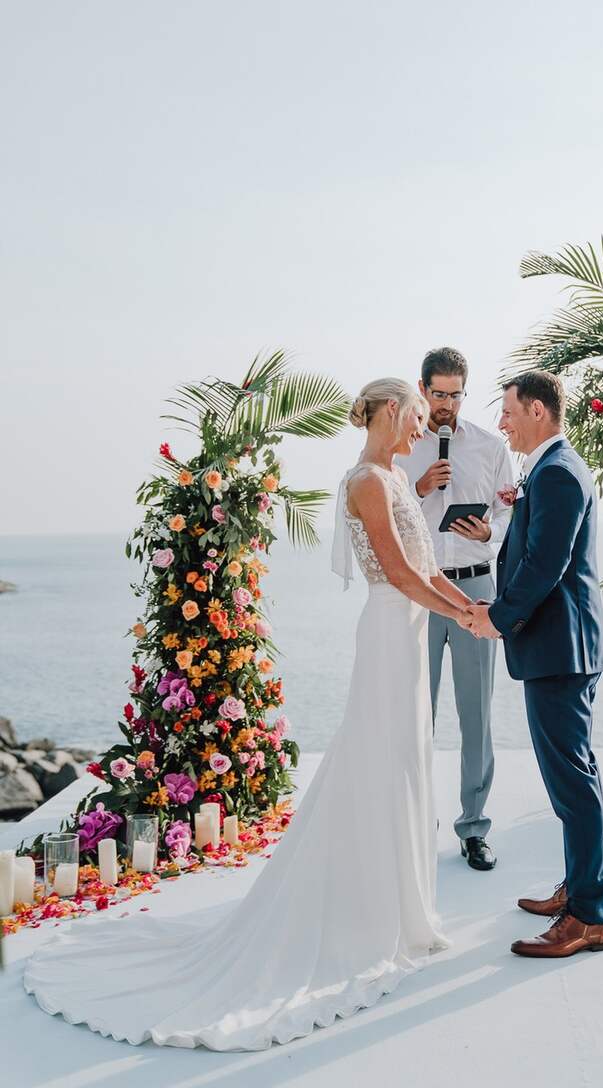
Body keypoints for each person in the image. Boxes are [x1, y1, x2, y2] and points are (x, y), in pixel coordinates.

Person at [24, 378, 476, 1050]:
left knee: (407, 758)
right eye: (413, 417)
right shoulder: (368, 483)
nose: (419, 429)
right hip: (388, 631)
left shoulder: (401, 479)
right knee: (378, 757)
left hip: (410, 631)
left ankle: (406, 910)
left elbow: (428, 567)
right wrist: (463, 615)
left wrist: (468, 608)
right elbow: (398, 573)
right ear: (388, 412)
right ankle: (366, 914)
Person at [466, 370, 603, 959]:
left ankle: (589, 917)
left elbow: (544, 567)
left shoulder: (556, 473)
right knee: (576, 780)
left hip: (560, 650)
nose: (501, 423)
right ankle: (580, 889)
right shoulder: (552, 470)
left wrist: (495, 618)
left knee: (573, 786)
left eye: (507, 411)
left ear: (537, 411)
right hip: (562, 647)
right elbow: (530, 550)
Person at [398, 347, 515, 871]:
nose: (447, 404)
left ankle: (474, 828)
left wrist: (491, 531)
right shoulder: (399, 447)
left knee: (477, 715)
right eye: (439, 394)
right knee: (416, 713)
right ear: (421, 389)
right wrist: (420, 488)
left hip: (476, 590)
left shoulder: (491, 447)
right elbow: (386, 522)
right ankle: (416, 825)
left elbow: (514, 516)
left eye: (456, 394)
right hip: (419, 594)